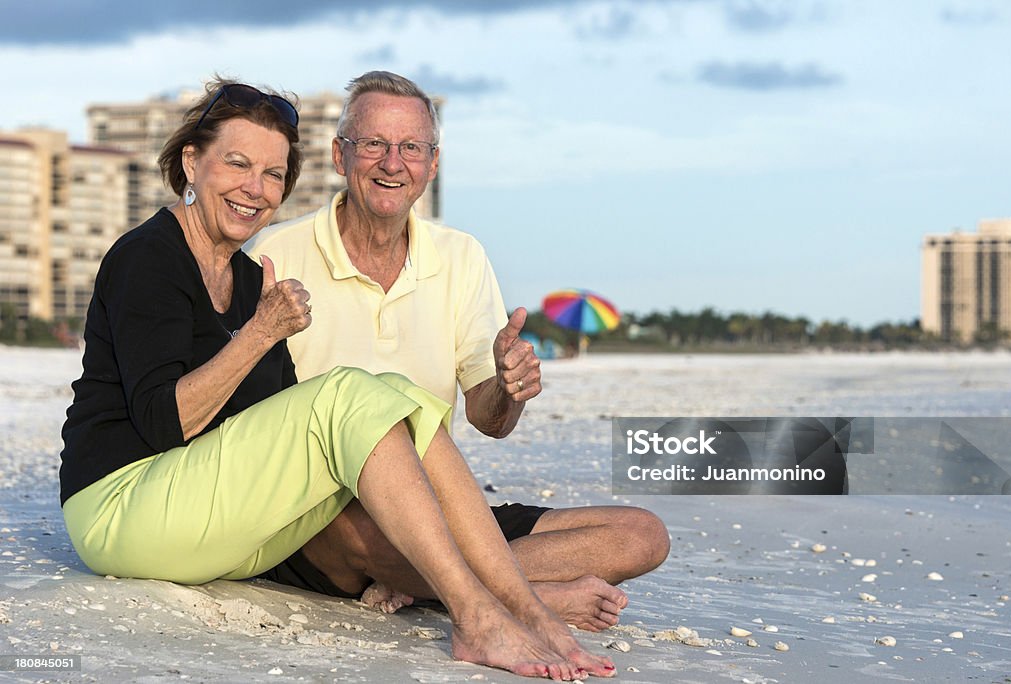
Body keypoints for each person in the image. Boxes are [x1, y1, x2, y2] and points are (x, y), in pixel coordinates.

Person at [59, 78, 615, 680]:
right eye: (238, 164)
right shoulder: (150, 254)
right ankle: (477, 615)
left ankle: (525, 607)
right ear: (191, 162)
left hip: (210, 520)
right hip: (120, 509)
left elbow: (266, 420)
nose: (256, 188)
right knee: (353, 390)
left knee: (394, 394)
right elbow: (165, 422)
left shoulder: (249, 279)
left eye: (274, 175)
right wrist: (260, 333)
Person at [247, 71, 670, 631]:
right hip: (318, 512)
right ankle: (528, 598)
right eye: (373, 144)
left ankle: (433, 582)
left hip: (437, 508)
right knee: (361, 525)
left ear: (433, 163)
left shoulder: (461, 255)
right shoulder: (277, 251)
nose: (392, 162)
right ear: (339, 156)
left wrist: (509, 386)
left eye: (411, 147)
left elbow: (489, 419)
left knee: (642, 534)